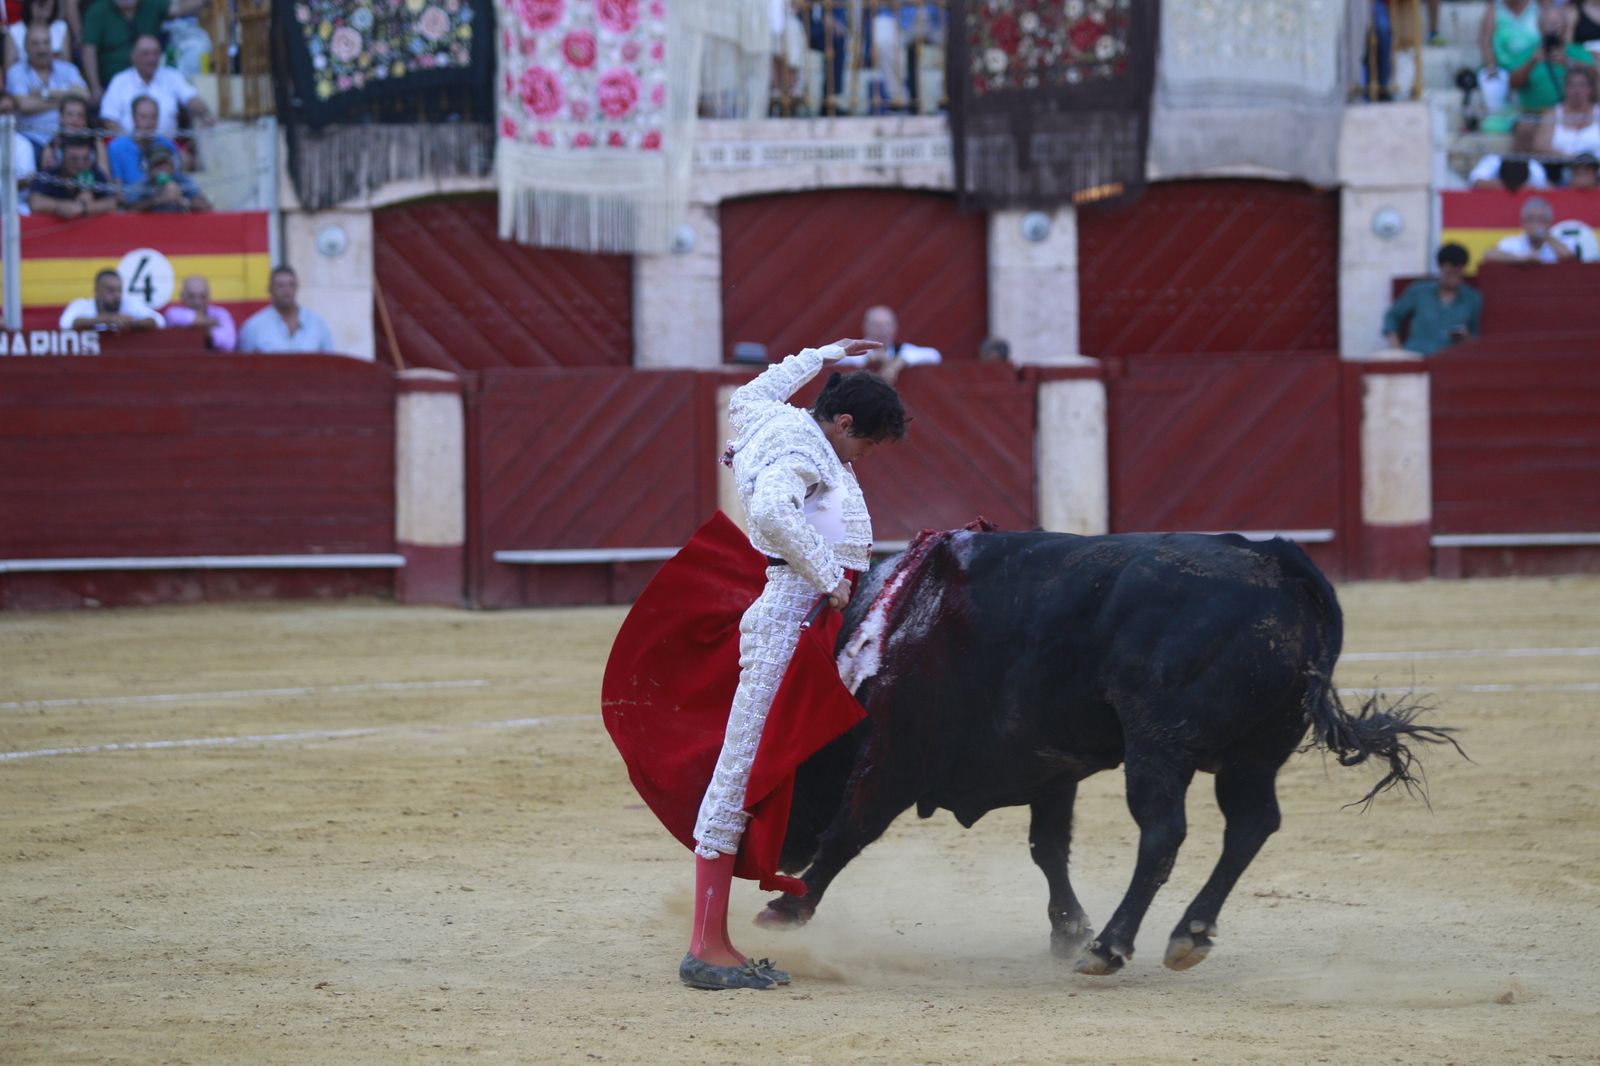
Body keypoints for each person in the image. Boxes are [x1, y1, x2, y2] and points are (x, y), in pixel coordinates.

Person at [682, 337, 906, 990]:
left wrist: (825, 352)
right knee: (742, 770)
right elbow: (774, 511)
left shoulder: (770, 417)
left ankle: (714, 938)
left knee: (754, 765)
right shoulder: (802, 444)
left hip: (799, 612)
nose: (864, 458)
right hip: (790, 614)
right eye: (866, 444)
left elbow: (753, 391)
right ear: (841, 423)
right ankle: (706, 948)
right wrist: (826, 570)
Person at [100, 33, 212, 138]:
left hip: (166, 148)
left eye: (156, 53)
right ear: (134, 56)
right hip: (130, 148)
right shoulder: (119, 81)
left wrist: (205, 114)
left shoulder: (172, 76)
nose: (151, 59)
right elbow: (109, 119)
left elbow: (191, 98)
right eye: (146, 54)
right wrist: (129, 144)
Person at [1382, 243, 1483, 355]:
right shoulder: (1419, 291)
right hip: (1416, 356)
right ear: (1440, 269)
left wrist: (1465, 338)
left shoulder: (1472, 298)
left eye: (1458, 273)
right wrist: (1398, 351)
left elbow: (1476, 338)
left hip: (1450, 361)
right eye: (1449, 273)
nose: (1454, 279)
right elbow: (1392, 317)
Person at [5, 20, 85, 153]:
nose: (42, 49)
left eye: (46, 42)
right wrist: (66, 101)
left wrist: (46, 93)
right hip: (30, 138)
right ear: (25, 47)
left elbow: (84, 95)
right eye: (35, 44)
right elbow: (25, 106)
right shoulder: (16, 72)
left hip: (67, 138)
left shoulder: (67, 69)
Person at [1507, 5, 1596, 115]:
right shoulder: (1527, 53)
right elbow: (1513, 84)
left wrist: (1569, 63)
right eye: (1549, 25)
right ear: (1539, 28)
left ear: (1566, 27)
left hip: (1573, 115)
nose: (1553, 29)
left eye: (1557, 25)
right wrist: (1532, 62)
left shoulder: (1579, 52)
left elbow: (1595, 77)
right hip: (1536, 115)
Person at [80, 0, 168, 102]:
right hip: (110, 84)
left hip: (153, 80)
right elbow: (89, 51)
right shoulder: (98, 11)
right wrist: (95, 87)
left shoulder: (152, 4)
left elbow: (179, 9)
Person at [238, 265, 336, 353]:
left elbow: (331, 363)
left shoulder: (317, 323)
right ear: (270, 289)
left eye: (291, 285)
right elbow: (244, 367)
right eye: (280, 286)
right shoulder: (254, 327)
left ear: (297, 288)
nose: (286, 290)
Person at [834, 304, 942, 383]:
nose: (883, 331)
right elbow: (830, 357)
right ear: (865, 326)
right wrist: (870, 358)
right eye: (877, 325)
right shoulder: (854, 348)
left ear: (895, 327)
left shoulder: (901, 350)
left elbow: (934, 355)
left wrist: (898, 363)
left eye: (887, 325)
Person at [26, 133, 114, 217]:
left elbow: (111, 203)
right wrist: (60, 206)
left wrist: (83, 207)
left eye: (85, 159)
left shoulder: (95, 173)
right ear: (60, 157)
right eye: (74, 159)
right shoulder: (48, 175)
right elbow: (35, 202)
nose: (80, 164)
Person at [58, 266, 164, 330]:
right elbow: (65, 324)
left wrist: (133, 324)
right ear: (97, 291)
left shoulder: (129, 304)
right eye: (111, 290)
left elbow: (159, 321)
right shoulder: (82, 305)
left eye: (119, 290)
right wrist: (105, 320)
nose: (117, 295)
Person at [106, 93, 177, 186]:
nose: (149, 123)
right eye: (143, 117)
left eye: (153, 117)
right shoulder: (117, 148)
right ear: (133, 118)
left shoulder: (168, 145)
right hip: (133, 199)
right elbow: (118, 193)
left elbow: (177, 181)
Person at [1482, 195, 1578, 262]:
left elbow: (1568, 256)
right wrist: (1522, 260)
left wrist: (1545, 235)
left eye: (1541, 220)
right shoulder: (1512, 243)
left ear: (1549, 222)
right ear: (1523, 222)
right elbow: (1489, 255)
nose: (1536, 224)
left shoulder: (1563, 241)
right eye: (1531, 219)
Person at [1534, 64, 1600, 158]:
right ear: (1565, 88)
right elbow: (1540, 147)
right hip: (1559, 168)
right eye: (1571, 85)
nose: (1576, 90)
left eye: (1582, 85)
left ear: (1590, 89)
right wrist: (1570, 159)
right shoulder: (1552, 114)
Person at [121, 143, 207, 211]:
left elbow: (205, 206)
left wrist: (182, 200)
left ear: (173, 166)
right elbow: (129, 209)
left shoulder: (182, 181)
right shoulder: (143, 185)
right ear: (148, 169)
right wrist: (159, 200)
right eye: (158, 165)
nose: (163, 169)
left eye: (166, 164)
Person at [162, 273, 235, 350]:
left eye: (202, 296)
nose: (197, 302)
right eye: (191, 296)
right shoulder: (173, 313)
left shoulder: (221, 314)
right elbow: (176, 318)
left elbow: (229, 343)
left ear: (208, 296)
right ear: (182, 296)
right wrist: (208, 325)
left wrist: (205, 331)